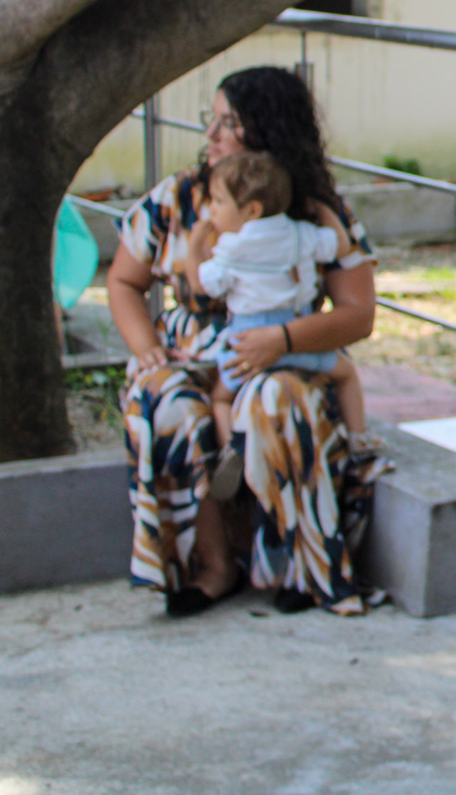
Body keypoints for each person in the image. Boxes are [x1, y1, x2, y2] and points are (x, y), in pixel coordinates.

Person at [108, 66, 382, 617]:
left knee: (275, 399)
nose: (210, 135)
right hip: (192, 354)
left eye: (228, 123)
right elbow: (123, 281)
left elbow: (359, 314)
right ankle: (213, 566)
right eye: (211, 120)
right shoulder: (182, 195)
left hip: (285, 353)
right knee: (164, 399)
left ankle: (305, 568)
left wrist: (281, 339)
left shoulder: (312, 207)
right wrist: (146, 348)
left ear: (268, 130)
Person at [191, 150, 377, 499]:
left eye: (217, 201)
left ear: (251, 210)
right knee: (346, 373)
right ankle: (359, 438)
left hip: (246, 343)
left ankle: (230, 447)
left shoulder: (231, 247)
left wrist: (196, 244)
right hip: (299, 337)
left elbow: (204, 286)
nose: (211, 209)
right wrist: (326, 210)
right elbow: (340, 245)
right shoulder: (301, 234)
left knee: (220, 397)